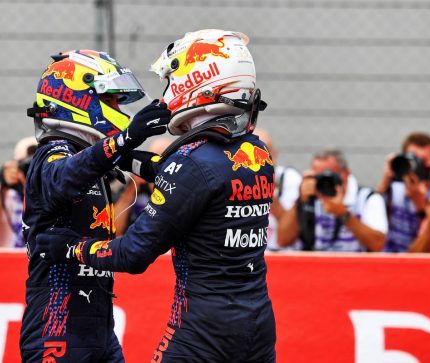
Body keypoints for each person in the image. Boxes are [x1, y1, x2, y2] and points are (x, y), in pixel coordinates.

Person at [41, 30, 276, 362]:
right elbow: (196, 177)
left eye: (172, 79)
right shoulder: (257, 153)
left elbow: (134, 254)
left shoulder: (193, 162)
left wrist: (70, 247)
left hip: (202, 332)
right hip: (259, 325)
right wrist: (120, 154)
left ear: (198, 78)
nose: (168, 91)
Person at [19, 49, 171, 362]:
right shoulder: (52, 152)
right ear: (77, 97)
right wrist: (125, 138)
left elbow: (121, 163)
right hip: (57, 329)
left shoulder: (90, 157)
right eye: (112, 100)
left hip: (100, 326)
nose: (117, 108)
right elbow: (63, 179)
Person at [278, 149, 388, 252]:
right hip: (315, 266)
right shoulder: (310, 198)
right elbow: (282, 240)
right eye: (320, 177)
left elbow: (378, 244)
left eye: (329, 176)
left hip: (354, 267)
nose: (325, 183)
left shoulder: (367, 199)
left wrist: (343, 214)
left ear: (345, 174)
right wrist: (300, 202)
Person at [376, 132, 430, 252]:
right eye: (411, 158)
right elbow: (372, 213)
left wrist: (421, 205)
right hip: (389, 257)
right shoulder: (394, 188)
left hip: (419, 261)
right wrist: (386, 179)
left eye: (421, 160)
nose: (415, 165)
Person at [0, 136, 36, 247]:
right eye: (27, 166)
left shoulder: (54, 191)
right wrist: (3, 188)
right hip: (7, 261)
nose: (32, 170)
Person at [253, 128, 302, 250]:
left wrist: (264, 189)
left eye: (263, 150)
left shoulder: (289, 179)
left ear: (274, 154)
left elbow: (288, 236)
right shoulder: (230, 180)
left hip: (281, 254)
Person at [113, 136, 172, 236]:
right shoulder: (134, 184)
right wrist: (131, 189)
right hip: (129, 239)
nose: (157, 168)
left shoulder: (175, 188)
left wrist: (157, 186)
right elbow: (114, 229)